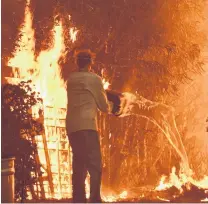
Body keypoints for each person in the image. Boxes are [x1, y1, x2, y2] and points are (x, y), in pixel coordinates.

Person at [66, 49, 111, 203]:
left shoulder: (70, 79)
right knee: (95, 164)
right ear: (91, 62)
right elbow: (104, 106)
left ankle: (78, 200)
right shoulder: (95, 79)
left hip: (72, 127)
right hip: (87, 126)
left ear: (77, 62)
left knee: (79, 163)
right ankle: (94, 199)